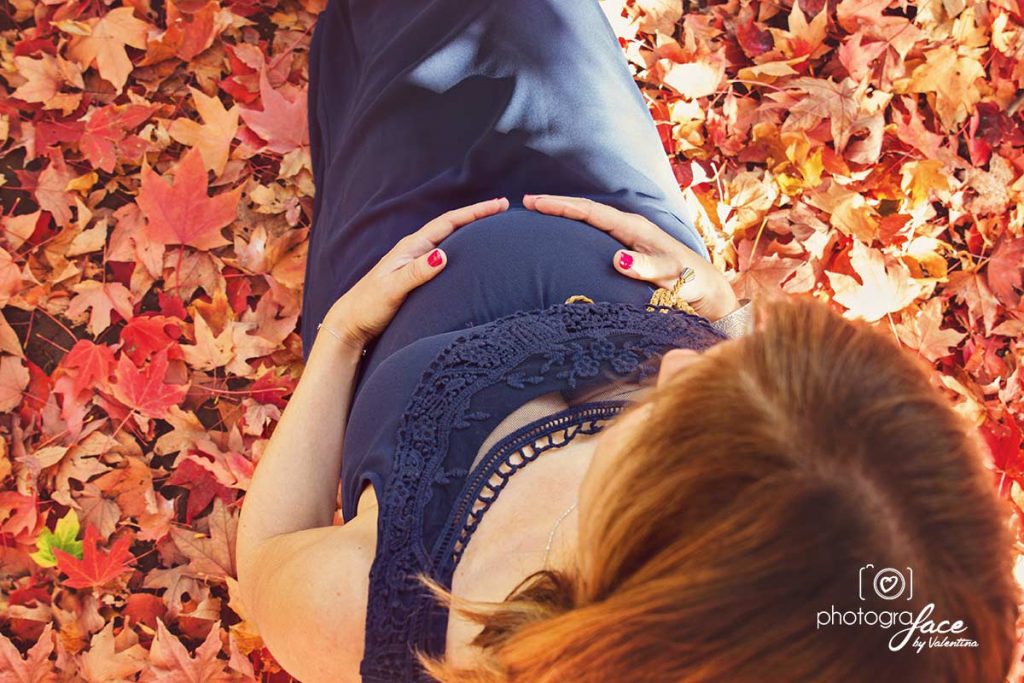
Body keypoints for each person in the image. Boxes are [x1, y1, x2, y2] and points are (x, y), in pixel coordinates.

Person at [235, 1, 1019, 681]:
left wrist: (340, 336)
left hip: (392, 243)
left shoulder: (387, 612)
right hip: (607, 187)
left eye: (689, 415)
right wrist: (725, 312)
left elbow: (267, 553)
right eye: (738, 370)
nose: (684, 356)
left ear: (660, 585)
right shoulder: (776, 453)